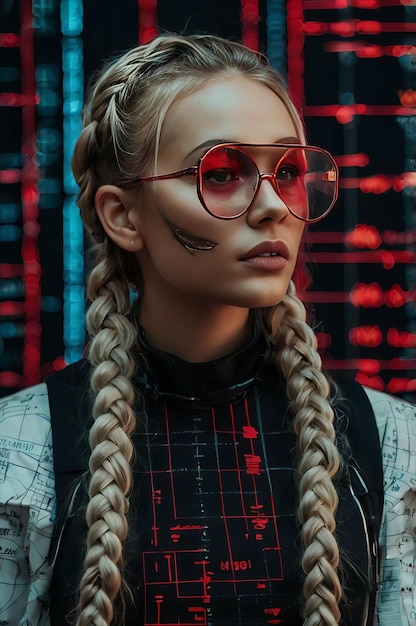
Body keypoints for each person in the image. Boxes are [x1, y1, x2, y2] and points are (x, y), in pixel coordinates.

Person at [0, 33, 415, 626]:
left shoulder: (392, 442)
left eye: (289, 170)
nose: (273, 206)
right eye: (221, 174)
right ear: (122, 215)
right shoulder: (20, 450)